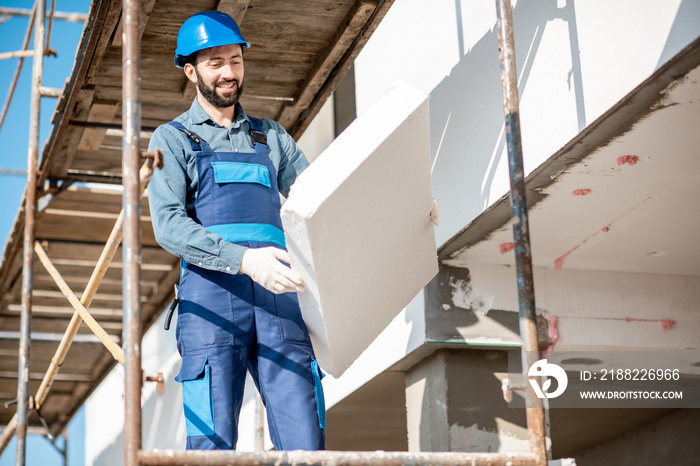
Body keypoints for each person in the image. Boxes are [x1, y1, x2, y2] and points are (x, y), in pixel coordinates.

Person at [147, 11, 325, 451]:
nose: (229, 73)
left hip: (277, 297)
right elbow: (168, 226)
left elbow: (320, 199)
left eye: (235, 60)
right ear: (190, 71)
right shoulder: (172, 139)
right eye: (215, 63)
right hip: (210, 300)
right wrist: (244, 261)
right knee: (211, 444)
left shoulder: (271, 138)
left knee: (306, 439)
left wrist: (397, 204)